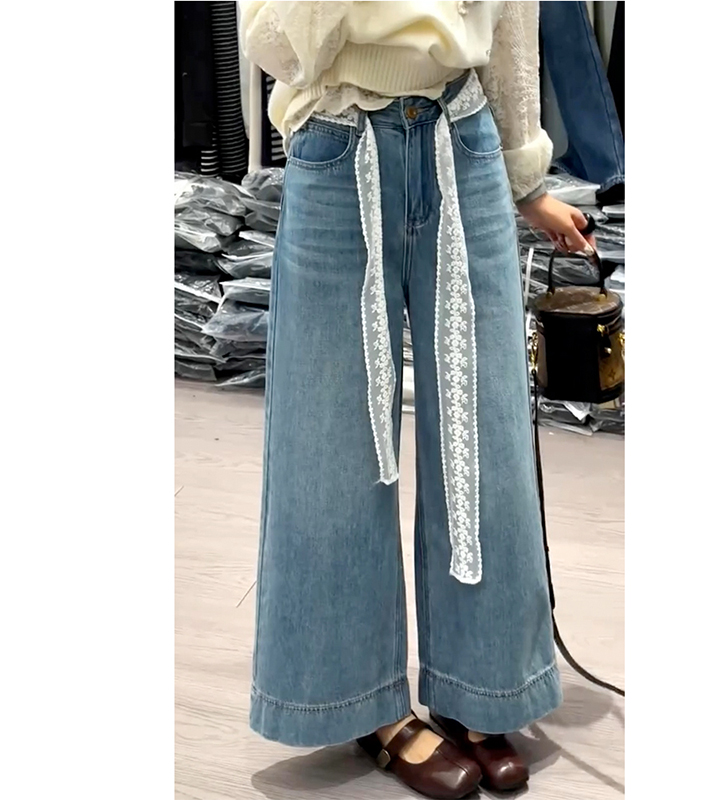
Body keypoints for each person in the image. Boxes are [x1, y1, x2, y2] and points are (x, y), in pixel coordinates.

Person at [241, 3, 594, 798]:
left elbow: (512, 27)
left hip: (463, 137)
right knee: (330, 449)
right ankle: (364, 705)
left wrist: (525, 177)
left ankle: (483, 686)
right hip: (338, 144)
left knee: (488, 437)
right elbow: (271, 44)